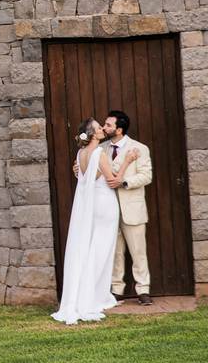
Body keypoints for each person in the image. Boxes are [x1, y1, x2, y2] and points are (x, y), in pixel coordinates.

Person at [51, 117, 140, 325]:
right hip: (105, 205)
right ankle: (93, 296)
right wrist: (127, 161)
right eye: (99, 128)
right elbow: (111, 181)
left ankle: (89, 293)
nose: (102, 129)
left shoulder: (81, 153)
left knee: (92, 248)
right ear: (92, 134)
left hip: (92, 206)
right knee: (101, 251)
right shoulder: (98, 152)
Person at [103, 110, 154, 305]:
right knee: (115, 252)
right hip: (109, 209)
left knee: (138, 252)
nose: (104, 127)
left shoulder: (139, 148)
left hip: (132, 208)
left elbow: (146, 176)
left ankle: (143, 289)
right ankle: (117, 290)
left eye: (108, 125)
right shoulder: (102, 148)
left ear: (119, 129)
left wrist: (124, 181)